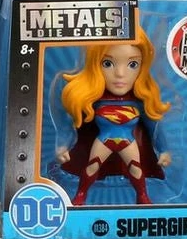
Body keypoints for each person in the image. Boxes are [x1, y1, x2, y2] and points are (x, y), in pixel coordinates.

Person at [58, 26, 171, 205]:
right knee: (92, 166)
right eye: (107, 63)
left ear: (142, 66)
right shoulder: (95, 100)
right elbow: (72, 122)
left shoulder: (138, 102)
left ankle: (142, 196)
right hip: (104, 140)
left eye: (132, 64)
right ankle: (80, 195)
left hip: (127, 141)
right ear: (95, 64)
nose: (120, 74)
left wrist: (164, 150)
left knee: (136, 169)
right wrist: (63, 145)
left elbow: (154, 127)